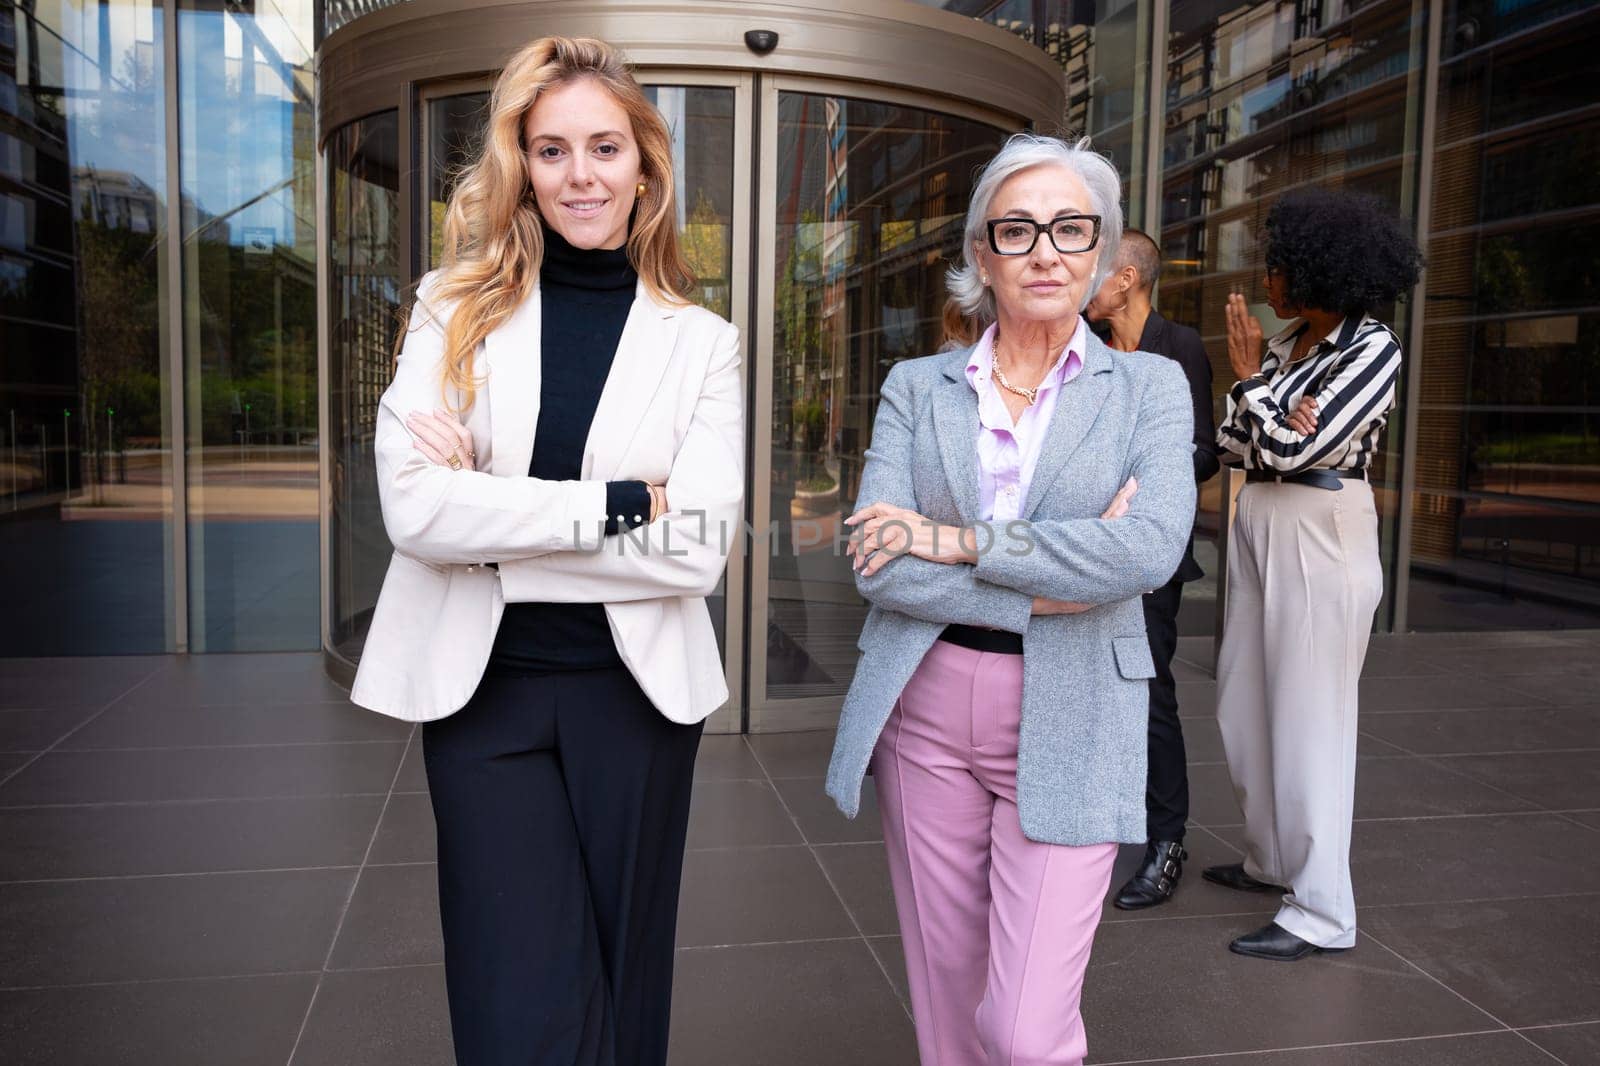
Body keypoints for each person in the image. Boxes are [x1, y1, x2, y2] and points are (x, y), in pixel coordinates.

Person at [349, 36, 744, 1064]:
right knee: (509, 997)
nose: (581, 175)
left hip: (636, 700)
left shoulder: (703, 341)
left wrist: (489, 513)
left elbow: (696, 547)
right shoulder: (452, 307)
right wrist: (615, 503)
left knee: (625, 985)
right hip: (487, 701)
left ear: (645, 164)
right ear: (519, 162)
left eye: (605, 148)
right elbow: (415, 515)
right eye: (553, 148)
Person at [825, 133, 1196, 1065]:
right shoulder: (918, 387)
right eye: (1018, 229)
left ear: (1104, 253)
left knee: (1025, 1033)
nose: (1046, 251)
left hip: (1076, 706)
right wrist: (1054, 584)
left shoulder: (1151, 387)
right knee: (949, 1013)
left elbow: (1145, 551)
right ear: (979, 256)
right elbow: (876, 563)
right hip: (928, 704)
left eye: (1072, 229)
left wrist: (955, 543)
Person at [1208, 188, 1422, 961]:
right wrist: (1271, 406)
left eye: (1276, 267)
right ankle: (1272, 859)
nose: (1266, 282)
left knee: (1311, 722)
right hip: (1262, 516)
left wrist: (1256, 394)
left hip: (1323, 525)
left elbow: (1298, 448)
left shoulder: (1373, 349)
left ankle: (1322, 912)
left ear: (1317, 270)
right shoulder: (1288, 345)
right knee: (1242, 701)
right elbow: (1238, 443)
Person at [1084, 229, 1219, 909]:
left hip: (1151, 554)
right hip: (1086, 549)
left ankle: (1167, 842)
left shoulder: (1180, 347)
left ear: (1129, 278)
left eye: (1097, 271)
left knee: (1150, 697)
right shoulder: (1084, 349)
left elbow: (1202, 454)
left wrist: (1135, 484)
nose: (1083, 282)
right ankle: (1102, 821)